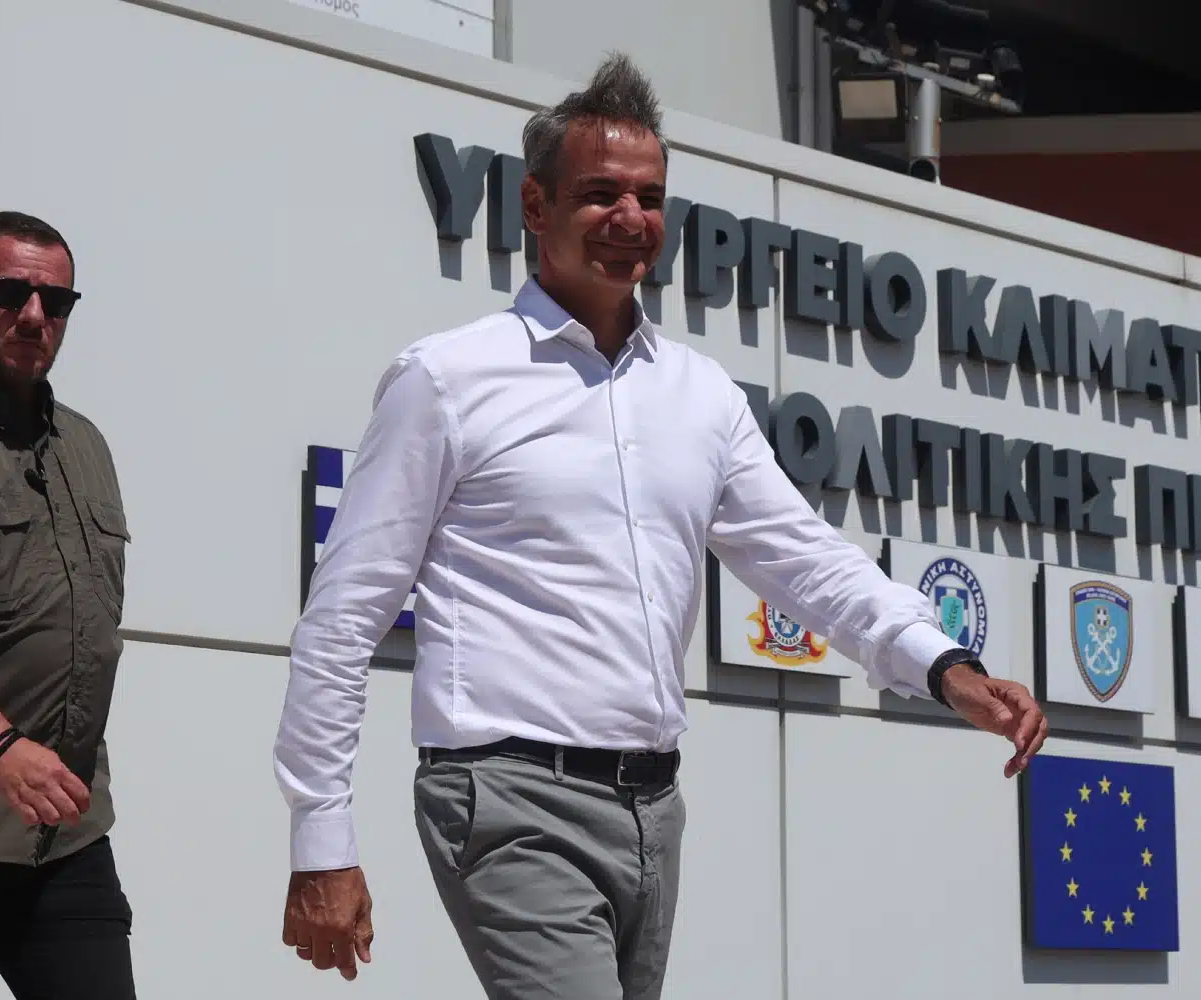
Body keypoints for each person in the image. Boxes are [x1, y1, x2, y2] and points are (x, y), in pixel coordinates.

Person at [273, 53, 1048, 999]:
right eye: (600, 194)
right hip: (506, 800)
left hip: (653, 811)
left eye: (649, 197)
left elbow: (807, 561)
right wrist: (321, 840)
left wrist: (943, 665)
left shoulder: (700, 394)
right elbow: (343, 618)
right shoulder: (446, 380)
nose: (629, 218)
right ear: (534, 206)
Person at [0, 211, 135, 998]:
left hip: (59, 835)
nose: (34, 316)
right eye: (12, 293)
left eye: (55, 301)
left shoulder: (85, 446)